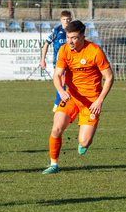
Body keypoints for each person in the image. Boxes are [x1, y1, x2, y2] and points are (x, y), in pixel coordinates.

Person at [43, 19, 114, 174]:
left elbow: (109, 77)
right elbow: (57, 75)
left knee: (84, 141)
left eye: (74, 38)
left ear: (83, 37)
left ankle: (84, 139)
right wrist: (61, 91)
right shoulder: (64, 50)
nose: (70, 41)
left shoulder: (95, 51)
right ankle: (53, 165)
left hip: (91, 102)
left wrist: (100, 100)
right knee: (56, 129)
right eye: (68, 37)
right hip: (71, 97)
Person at [40, 10, 71, 109]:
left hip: (71, 61)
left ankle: (69, 104)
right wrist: (42, 60)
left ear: (70, 20)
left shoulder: (72, 31)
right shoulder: (56, 31)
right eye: (64, 19)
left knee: (71, 82)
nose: (66, 21)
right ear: (61, 20)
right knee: (61, 82)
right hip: (59, 61)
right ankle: (57, 104)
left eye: (67, 19)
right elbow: (46, 45)